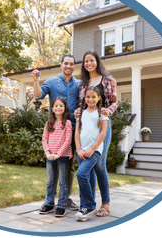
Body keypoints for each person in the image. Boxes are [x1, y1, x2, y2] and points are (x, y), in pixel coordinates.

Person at [31, 55, 80, 210]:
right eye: (66, 63)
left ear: (74, 66)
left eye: (71, 64)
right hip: (55, 130)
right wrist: (36, 81)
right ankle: (50, 200)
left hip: (72, 129)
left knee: (69, 166)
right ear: (61, 65)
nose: (69, 66)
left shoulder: (79, 84)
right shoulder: (52, 81)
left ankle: (66, 199)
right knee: (52, 166)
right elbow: (38, 95)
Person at [75, 50, 118, 217]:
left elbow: (114, 101)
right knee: (88, 166)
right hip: (86, 125)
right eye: (86, 61)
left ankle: (105, 204)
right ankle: (88, 203)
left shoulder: (106, 78)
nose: (88, 63)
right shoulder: (82, 82)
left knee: (99, 165)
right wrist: (78, 112)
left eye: (91, 60)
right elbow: (82, 103)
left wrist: (108, 111)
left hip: (102, 124)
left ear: (97, 61)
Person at [75, 86, 109, 221]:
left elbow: (103, 133)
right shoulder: (80, 113)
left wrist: (92, 149)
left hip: (94, 151)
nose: (90, 99)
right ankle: (84, 208)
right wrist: (78, 149)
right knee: (86, 177)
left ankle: (89, 205)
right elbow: (77, 132)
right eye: (88, 97)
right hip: (81, 150)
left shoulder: (102, 113)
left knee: (81, 173)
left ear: (99, 98)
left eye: (93, 97)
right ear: (84, 97)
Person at [39, 97, 73, 217]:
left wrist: (59, 153)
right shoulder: (49, 123)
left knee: (63, 182)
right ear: (52, 108)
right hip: (50, 156)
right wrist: (48, 153)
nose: (58, 108)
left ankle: (62, 205)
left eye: (61, 106)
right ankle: (49, 203)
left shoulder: (67, 123)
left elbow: (68, 140)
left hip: (62, 156)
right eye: (56, 106)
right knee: (50, 181)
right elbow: (44, 139)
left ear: (64, 108)